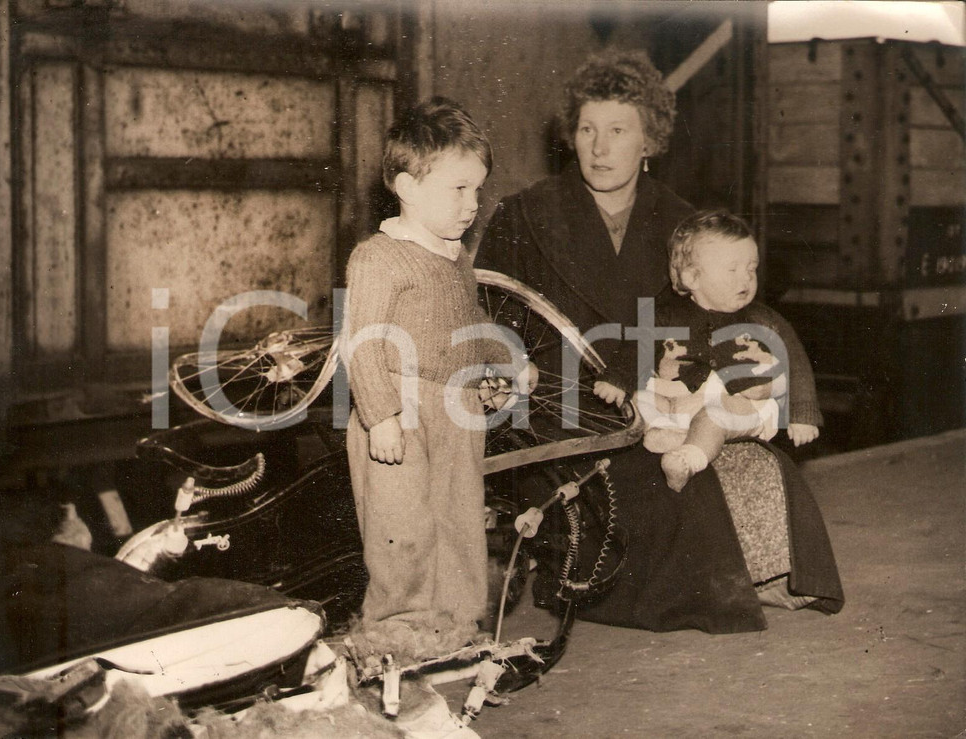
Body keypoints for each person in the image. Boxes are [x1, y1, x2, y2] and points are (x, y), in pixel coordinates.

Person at [478, 49, 843, 633]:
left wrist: (749, 370)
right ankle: (707, 588)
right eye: (587, 129)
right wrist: (503, 374)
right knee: (666, 482)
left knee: (757, 463)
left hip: (661, 393)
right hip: (561, 406)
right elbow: (489, 318)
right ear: (571, 136)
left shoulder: (683, 223)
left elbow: (725, 317)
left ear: (649, 140)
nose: (599, 148)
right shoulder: (526, 214)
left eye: (618, 131)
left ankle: (763, 575)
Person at [340, 97, 534, 658]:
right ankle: (397, 631)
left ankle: (455, 628)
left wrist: (509, 361)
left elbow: (470, 327)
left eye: (478, 189)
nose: (473, 205)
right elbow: (365, 341)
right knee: (402, 527)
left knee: (458, 521)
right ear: (406, 186)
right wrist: (382, 418)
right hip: (401, 410)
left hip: (457, 410)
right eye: (459, 190)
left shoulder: (454, 258)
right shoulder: (380, 258)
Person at [595, 209, 823, 492]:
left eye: (751, 269)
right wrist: (617, 378)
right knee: (640, 399)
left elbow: (795, 361)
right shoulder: (662, 315)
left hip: (737, 403)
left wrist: (802, 414)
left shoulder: (762, 319)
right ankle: (664, 434)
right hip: (678, 402)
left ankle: (688, 458)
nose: (746, 279)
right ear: (692, 277)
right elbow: (635, 349)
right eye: (732, 270)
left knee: (714, 416)